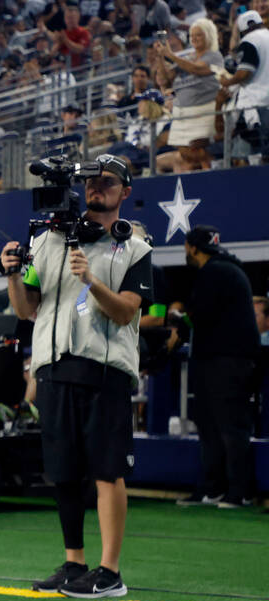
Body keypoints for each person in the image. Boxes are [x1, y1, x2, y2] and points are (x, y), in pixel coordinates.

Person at [2, 155, 152, 599]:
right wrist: (13, 271)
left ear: (124, 193)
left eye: (106, 182)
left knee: (107, 471)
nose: (95, 188)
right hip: (53, 367)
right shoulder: (48, 241)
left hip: (104, 369)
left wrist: (91, 281)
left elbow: (127, 312)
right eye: (90, 182)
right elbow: (26, 308)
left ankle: (110, 572)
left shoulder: (134, 247)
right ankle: (74, 563)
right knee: (64, 473)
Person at [176, 226, 259, 508]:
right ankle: (216, 489)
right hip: (221, 360)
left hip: (225, 362)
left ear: (192, 247)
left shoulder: (214, 272)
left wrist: (177, 317)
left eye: (186, 247)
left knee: (229, 427)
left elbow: (196, 315)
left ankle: (240, 492)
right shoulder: (226, 270)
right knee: (213, 426)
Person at [152, 19, 222, 172]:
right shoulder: (188, 57)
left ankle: (213, 176)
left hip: (203, 112)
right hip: (182, 115)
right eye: (192, 35)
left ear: (209, 36)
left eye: (199, 35)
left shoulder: (214, 56)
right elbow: (166, 79)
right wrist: (160, 57)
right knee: (185, 153)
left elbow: (198, 69)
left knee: (200, 150)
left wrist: (171, 55)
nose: (194, 38)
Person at [220, 11, 269, 163]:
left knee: (257, 149)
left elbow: (244, 73)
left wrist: (227, 82)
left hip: (258, 103)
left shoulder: (249, 41)